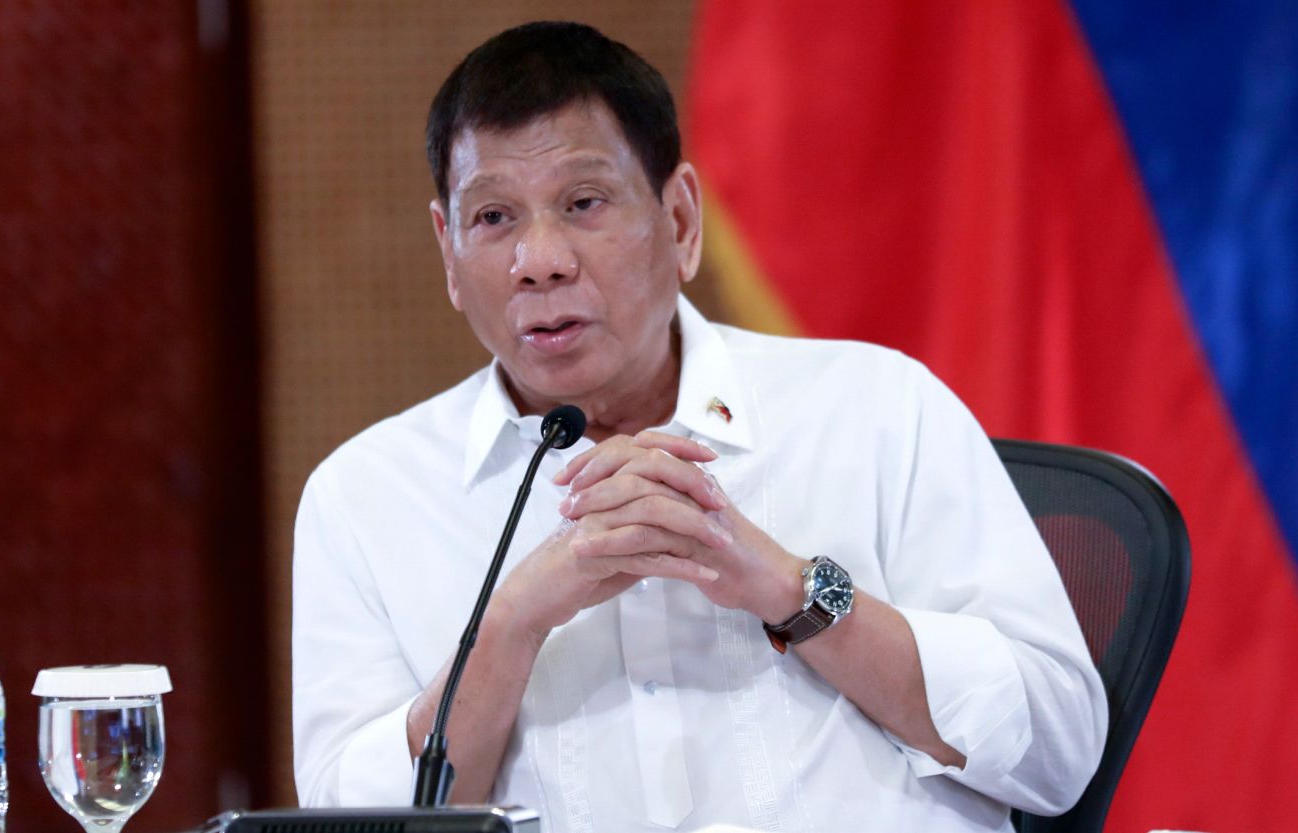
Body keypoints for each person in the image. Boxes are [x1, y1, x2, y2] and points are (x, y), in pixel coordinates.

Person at [292, 21, 1106, 833]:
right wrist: (512, 625)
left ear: (680, 220)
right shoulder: (365, 497)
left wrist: (790, 589)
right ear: (448, 251)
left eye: (583, 203)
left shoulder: (879, 408)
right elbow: (346, 825)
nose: (538, 260)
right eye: (494, 218)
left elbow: (1059, 748)